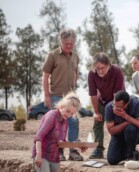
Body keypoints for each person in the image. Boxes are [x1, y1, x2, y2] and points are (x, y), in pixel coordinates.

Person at [42, 28, 83, 161]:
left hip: (71, 97)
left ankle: (73, 151)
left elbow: (76, 72)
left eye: (71, 44)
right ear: (61, 42)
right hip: (56, 95)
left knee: (74, 121)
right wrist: (47, 95)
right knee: (57, 124)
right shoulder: (52, 55)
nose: (69, 46)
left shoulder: (75, 56)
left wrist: (74, 88)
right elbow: (45, 76)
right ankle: (58, 151)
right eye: (66, 44)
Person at [32, 92, 87, 172]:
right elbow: (38, 137)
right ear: (62, 106)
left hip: (54, 156)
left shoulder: (65, 121)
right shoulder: (52, 116)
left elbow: (61, 142)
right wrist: (38, 155)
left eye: (71, 113)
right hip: (42, 154)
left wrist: (79, 146)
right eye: (67, 111)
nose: (69, 115)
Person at [88, 52, 125, 159]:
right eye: (97, 68)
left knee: (118, 122)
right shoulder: (92, 73)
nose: (99, 71)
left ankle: (123, 146)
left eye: (102, 68)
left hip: (118, 99)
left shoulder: (117, 71)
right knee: (97, 122)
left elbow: (116, 95)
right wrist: (96, 112)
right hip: (102, 99)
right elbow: (93, 94)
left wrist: (115, 109)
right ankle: (99, 149)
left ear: (109, 65)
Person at [105, 90, 139, 165]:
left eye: (119, 106)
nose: (115, 108)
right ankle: (133, 153)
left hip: (134, 134)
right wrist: (127, 122)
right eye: (114, 104)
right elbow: (111, 131)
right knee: (112, 160)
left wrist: (125, 116)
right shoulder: (109, 107)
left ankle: (130, 155)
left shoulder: (136, 104)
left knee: (130, 128)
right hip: (118, 135)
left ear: (127, 104)